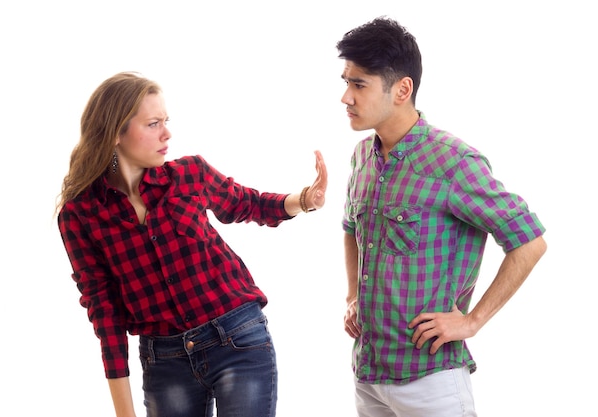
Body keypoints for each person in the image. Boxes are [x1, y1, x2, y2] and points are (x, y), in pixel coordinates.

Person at [56, 71, 327, 417]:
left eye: (166, 121)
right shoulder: (80, 215)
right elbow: (104, 312)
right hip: (164, 361)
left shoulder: (189, 174)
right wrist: (124, 413)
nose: (167, 133)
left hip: (237, 338)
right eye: (154, 124)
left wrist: (305, 199)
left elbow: (247, 203)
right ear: (115, 134)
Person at [337, 17, 547, 417]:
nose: (346, 96)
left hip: (430, 382)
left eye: (359, 84)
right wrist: (352, 295)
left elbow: (530, 241)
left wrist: (472, 322)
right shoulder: (363, 156)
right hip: (368, 375)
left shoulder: (452, 162)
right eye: (345, 81)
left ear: (402, 89)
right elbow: (351, 229)